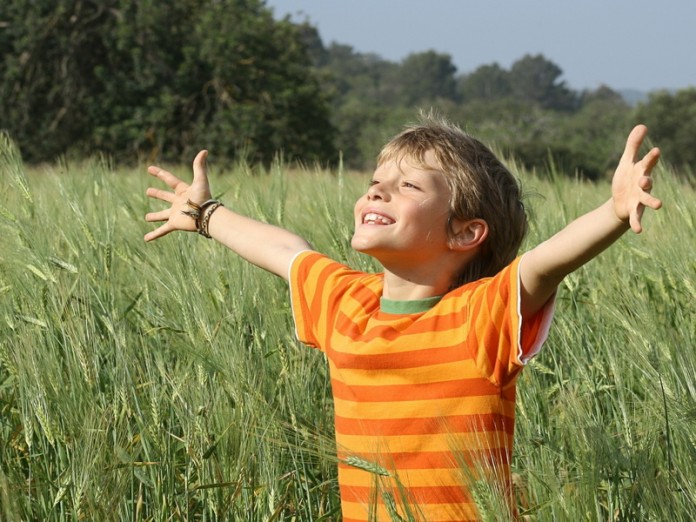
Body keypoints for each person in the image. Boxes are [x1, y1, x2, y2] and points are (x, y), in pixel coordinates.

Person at [144, 115, 662, 521]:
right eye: (375, 181)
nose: (376, 191)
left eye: (410, 187)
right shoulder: (347, 302)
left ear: (465, 233)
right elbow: (285, 250)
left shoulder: (480, 316)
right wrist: (205, 215)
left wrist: (614, 212)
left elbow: (545, 264)